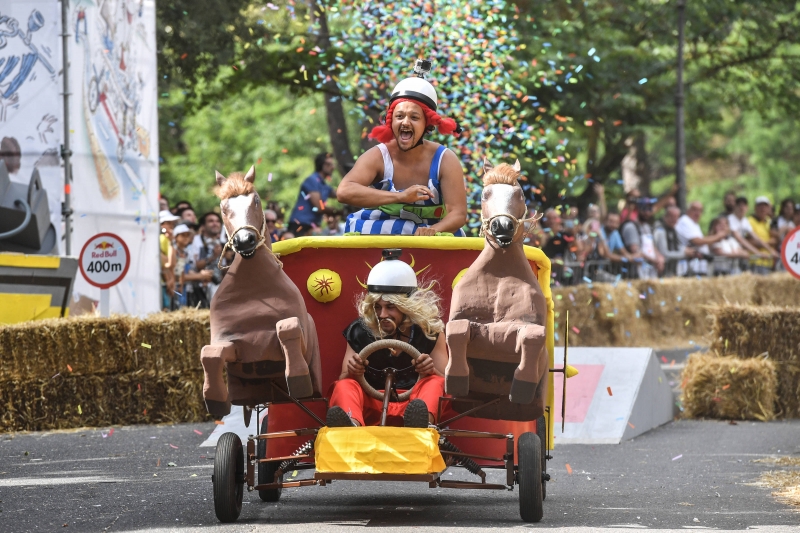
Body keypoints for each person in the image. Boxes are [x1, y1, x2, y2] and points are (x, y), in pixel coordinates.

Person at [338, 63, 467, 236]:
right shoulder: (378, 155)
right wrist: (401, 197)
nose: (405, 122)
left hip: (431, 238)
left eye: (414, 117)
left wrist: (431, 231)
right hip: (381, 235)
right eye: (399, 116)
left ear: (426, 124)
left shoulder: (445, 159)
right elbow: (344, 191)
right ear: (391, 121)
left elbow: (458, 214)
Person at [326, 250, 448, 428]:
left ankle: (422, 425)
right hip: (370, 407)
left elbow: (446, 382)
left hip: (414, 405)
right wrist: (354, 371)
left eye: (390, 307)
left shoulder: (429, 331)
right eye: (377, 307)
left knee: (436, 382)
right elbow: (344, 377)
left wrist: (430, 370)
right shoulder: (359, 330)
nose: (382, 315)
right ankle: (350, 425)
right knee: (345, 385)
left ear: (407, 307)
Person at [287, 153, 338, 237]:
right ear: (321, 165)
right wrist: (338, 211)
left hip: (312, 226)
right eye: (329, 164)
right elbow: (319, 207)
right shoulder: (312, 180)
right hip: (300, 224)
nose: (333, 167)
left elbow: (339, 194)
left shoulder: (324, 185)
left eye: (333, 164)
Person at [675, 201, 727, 276]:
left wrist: (716, 238)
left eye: (700, 210)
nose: (697, 213)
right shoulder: (685, 221)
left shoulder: (695, 224)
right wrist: (717, 236)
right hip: (689, 267)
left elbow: (703, 243)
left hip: (698, 266)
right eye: (694, 209)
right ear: (688, 210)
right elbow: (697, 241)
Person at [621, 198, 663, 278]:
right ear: (637, 209)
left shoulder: (647, 227)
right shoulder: (630, 227)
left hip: (650, 272)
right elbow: (635, 250)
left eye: (649, 209)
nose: (647, 212)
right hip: (636, 273)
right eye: (644, 209)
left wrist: (659, 258)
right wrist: (655, 261)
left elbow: (651, 246)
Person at [191, 212, 226, 304]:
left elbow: (224, 269)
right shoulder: (195, 241)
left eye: (218, 221)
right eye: (211, 221)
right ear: (203, 226)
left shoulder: (223, 243)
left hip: (218, 289)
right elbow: (194, 266)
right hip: (199, 290)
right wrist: (213, 257)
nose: (215, 224)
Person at [654, 206, 698, 277]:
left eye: (676, 217)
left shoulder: (674, 230)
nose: (674, 220)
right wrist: (684, 254)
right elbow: (664, 253)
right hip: (661, 272)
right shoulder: (660, 231)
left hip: (672, 271)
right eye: (671, 217)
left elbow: (677, 246)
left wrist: (686, 250)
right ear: (665, 216)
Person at [748, 196, 780, 274]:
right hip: (755, 262)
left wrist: (760, 243)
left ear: (769, 208)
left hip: (770, 262)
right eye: (760, 206)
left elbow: (776, 240)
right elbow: (749, 242)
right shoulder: (749, 221)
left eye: (765, 206)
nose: (762, 209)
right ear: (755, 208)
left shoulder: (770, 222)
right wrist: (769, 242)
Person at [159, 210, 180, 309]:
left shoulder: (165, 239)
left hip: (165, 283)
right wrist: (171, 280)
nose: (172, 225)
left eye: (172, 223)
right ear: (161, 225)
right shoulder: (162, 239)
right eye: (168, 223)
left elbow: (171, 264)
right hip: (162, 284)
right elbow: (169, 264)